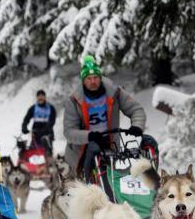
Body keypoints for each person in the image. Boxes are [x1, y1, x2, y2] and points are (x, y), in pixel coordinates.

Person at [63, 55, 148, 197]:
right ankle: (88, 187)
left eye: (96, 77)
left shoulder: (114, 92)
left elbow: (136, 110)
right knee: (92, 152)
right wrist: (89, 136)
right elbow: (69, 132)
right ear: (83, 80)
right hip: (82, 151)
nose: (93, 81)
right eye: (89, 78)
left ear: (100, 77)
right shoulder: (74, 100)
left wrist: (137, 126)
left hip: (110, 144)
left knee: (115, 175)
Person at [21, 89, 56, 154]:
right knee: (34, 152)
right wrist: (24, 127)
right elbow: (26, 119)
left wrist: (45, 130)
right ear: (37, 98)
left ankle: (50, 162)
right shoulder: (33, 108)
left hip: (47, 133)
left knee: (47, 152)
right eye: (39, 96)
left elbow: (52, 121)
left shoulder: (51, 108)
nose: (40, 98)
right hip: (36, 133)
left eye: (42, 96)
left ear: (45, 97)